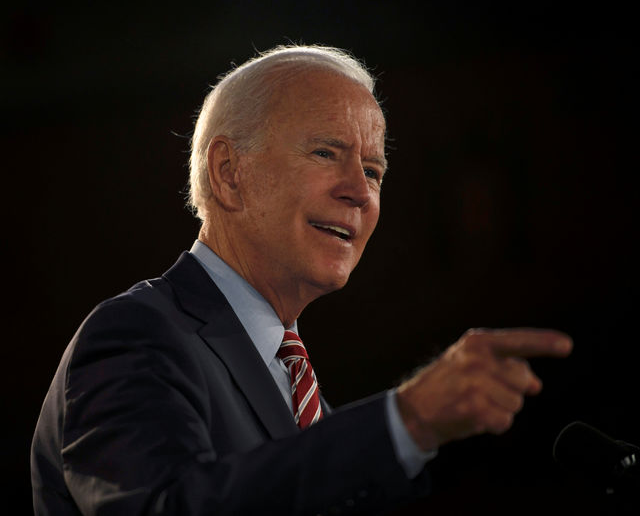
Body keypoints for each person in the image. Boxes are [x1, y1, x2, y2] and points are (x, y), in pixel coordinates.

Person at [30, 45, 573, 515]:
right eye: (325, 153)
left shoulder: (297, 387)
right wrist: (404, 422)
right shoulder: (135, 336)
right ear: (228, 173)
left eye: (375, 171)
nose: (360, 192)